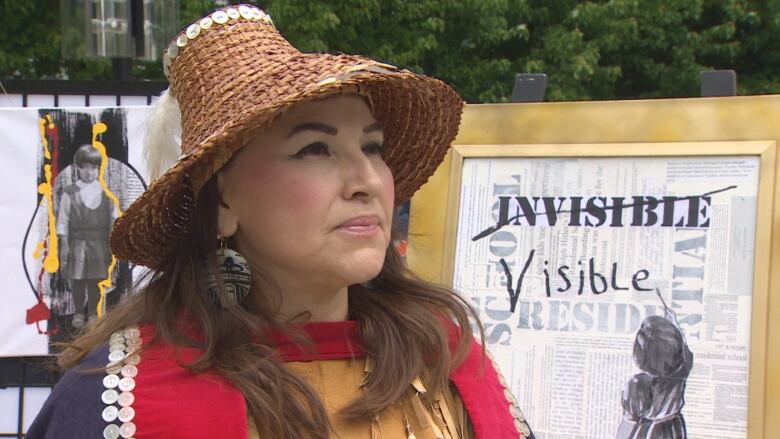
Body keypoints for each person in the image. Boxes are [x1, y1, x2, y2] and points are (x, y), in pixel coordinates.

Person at [28, 5, 534, 439]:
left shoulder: (450, 362)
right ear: (222, 203)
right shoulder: (120, 399)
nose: (367, 180)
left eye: (372, 147)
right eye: (315, 148)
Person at [56, 144, 116, 328]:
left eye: (94, 167)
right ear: (78, 168)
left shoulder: (105, 195)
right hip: (77, 243)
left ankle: (92, 313)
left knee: (94, 280)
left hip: (98, 243)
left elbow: (114, 221)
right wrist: (65, 246)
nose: (90, 172)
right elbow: (63, 221)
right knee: (78, 279)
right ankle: (79, 313)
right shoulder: (70, 193)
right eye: (86, 167)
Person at [616, 299, 693, 439]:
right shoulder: (681, 372)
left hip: (648, 433)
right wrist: (673, 323)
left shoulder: (637, 384)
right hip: (673, 429)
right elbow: (685, 351)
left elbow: (627, 428)